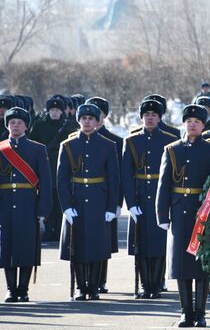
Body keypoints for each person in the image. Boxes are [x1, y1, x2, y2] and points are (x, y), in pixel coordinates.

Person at [156, 104, 210, 327]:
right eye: (189, 121)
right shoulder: (171, 150)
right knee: (181, 265)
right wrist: (162, 215)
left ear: (204, 126)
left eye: (197, 121)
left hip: (203, 213)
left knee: (202, 265)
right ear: (183, 124)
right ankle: (186, 311)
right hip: (179, 212)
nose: (192, 124)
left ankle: (201, 312)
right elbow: (164, 184)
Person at [57, 104, 120, 301]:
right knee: (77, 246)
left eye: (91, 118)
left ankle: (93, 286)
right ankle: (80, 286)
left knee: (96, 245)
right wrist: (66, 206)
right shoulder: (67, 145)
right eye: (83, 118)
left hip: (98, 200)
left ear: (97, 121)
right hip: (76, 200)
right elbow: (61, 179)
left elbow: (114, 179)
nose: (87, 121)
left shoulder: (108, 145)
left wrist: (112, 207)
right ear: (79, 120)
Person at [123, 99, 178, 299]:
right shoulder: (131, 141)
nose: (150, 118)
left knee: (158, 244)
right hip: (140, 197)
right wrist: (130, 203)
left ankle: (156, 283)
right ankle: (145, 285)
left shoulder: (170, 140)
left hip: (159, 196)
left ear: (159, 117)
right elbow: (126, 175)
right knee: (141, 245)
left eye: (154, 115)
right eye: (146, 115)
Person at [0, 107, 52, 303]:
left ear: (26, 126)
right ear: (7, 125)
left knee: (26, 247)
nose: (15, 126)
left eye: (20, 123)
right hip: (5, 204)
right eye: (12, 122)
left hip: (28, 203)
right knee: (7, 247)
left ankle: (23, 289)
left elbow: (46, 182)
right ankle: (10, 289)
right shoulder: (1, 148)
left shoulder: (37, 148)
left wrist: (42, 209)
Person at [85, 96, 123, 294]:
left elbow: (119, 176)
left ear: (105, 116)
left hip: (105, 198)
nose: (94, 118)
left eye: (98, 114)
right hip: (85, 198)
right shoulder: (77, 139)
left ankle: (101, 279)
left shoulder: (115, 141)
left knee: (103, 241)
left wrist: (117, 203)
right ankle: (86, 281)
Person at [29, 96, 67, 241]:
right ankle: (49, 228)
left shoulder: (67, 126)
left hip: (63, 167)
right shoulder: (39, 125)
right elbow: (33, 143)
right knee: (47, 199)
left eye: (57, 110)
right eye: (52, 110)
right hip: (45, 167)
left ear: (62, 112)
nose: (55, 112)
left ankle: (59, 229)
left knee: (60, 201)